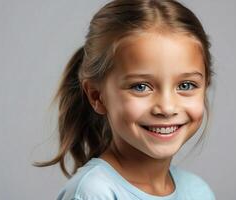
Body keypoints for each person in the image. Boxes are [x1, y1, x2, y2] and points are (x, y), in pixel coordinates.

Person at [34, 0, 216, 199]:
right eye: (140, 87)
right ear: (97, 97)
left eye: (186, 85)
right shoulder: (94, 193)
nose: (166, 107)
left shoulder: (198, 191)